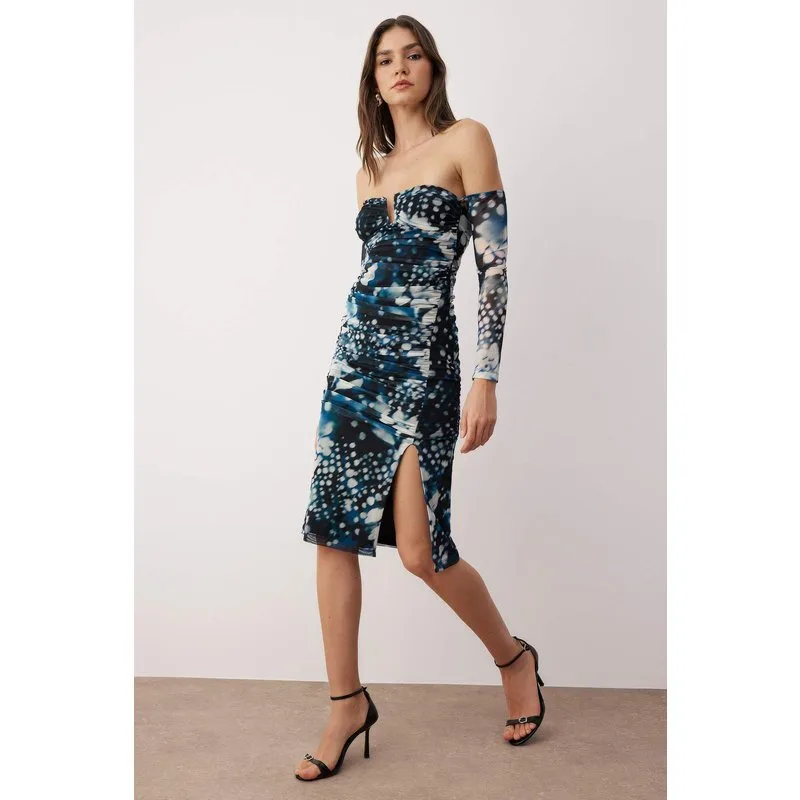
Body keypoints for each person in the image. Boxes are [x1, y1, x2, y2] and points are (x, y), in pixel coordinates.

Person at [295, 15, 546, 781]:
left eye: (412, 55)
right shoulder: (369, 171)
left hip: (427, 371)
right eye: (384, 60)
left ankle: (513, 657)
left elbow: (493, 270)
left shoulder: (467, 140)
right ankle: (346, 704)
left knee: (419, 551)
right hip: (355, 369)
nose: (399, 67)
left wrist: (486, 377)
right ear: (373, 82)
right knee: (333, 534)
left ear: (432, 68)